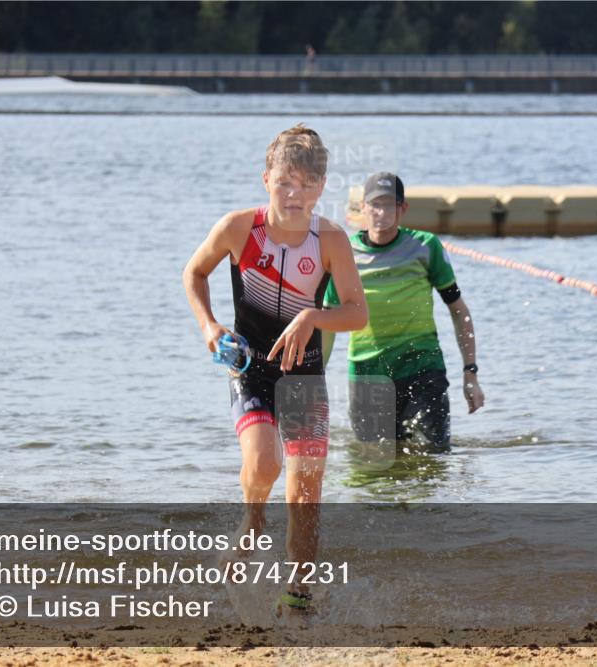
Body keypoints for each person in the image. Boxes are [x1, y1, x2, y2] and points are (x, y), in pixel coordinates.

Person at [183, 125, 367, 615]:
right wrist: (209, 326)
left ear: (322, 187)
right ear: (266, 179)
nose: (294, 194)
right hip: (250, 365)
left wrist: (313, 317)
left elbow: (357, 312)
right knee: (265, 463)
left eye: (306, 184)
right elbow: (194, 273)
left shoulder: (330, 240)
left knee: (306, 493)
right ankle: (252, 521)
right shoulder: (239, 229)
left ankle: (298, 597)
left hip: (304, 373)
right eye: (285, 182)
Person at [323, 172, 484, 454]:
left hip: (422, 369)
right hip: (367, 376)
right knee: (372, 468)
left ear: (403, 209)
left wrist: (470, 373)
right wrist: (314, 380)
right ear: (363, 208)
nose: (381, 212)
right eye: (375, 205)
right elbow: (325, 322)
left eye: (389, 205)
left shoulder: (425, 247)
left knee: (432, 458)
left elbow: (459, 311)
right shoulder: (344, 252)